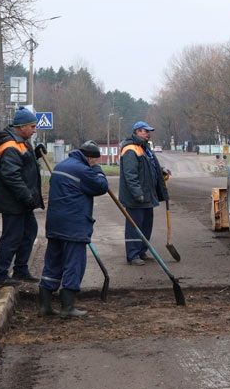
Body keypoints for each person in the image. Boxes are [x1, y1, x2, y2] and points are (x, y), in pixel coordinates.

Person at [38, 141, 108, 318]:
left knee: (52, 262)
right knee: (74, 264)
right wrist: (98, 170)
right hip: (73, 226)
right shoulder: (84, 170)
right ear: (90, 158)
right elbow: (101, 187)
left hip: (55, 223)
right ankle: (67, 307)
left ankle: (44, 306)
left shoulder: (61, 165)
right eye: (95, 161)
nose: (95, 163)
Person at [0, 107, 46, 288]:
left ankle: (21, 269)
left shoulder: (21, 141)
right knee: (12, 237)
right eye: (32, 126)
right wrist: (26, 196)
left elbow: (23, 164)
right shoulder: (10, 145)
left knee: (29, 232)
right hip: (13, 201)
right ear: (21, 127)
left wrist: (35, 154)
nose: (35, 129)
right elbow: (11, 175)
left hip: (20, 201)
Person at [119, 121, 168, 265]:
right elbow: (130, 175)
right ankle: (133, 255)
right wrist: (137, 193)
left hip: (147, 196)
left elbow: (149, 167)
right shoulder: (130, 149)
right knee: (134, 227)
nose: (148, 133)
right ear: (137, 132)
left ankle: (142, 251)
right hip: (136, 198)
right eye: (145, 131)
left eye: (148, 131)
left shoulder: (144, 148)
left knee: (146, 225)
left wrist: (161, 171)